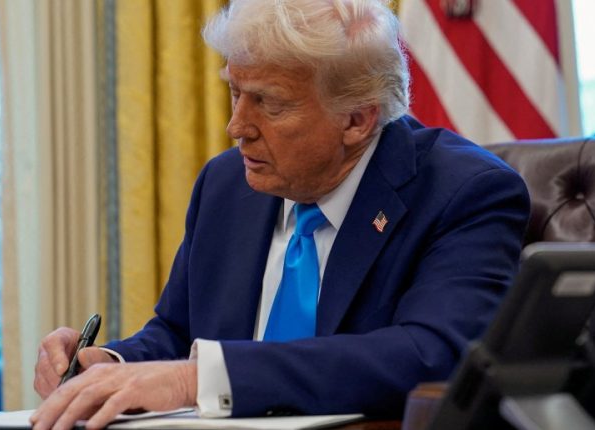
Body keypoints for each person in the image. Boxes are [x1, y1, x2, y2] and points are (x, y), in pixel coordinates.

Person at [30, 0, 530, 429]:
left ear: (357, 118)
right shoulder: (226, 184)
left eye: (267, 104)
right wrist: (108, 365)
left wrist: (193, 379)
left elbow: (432, 355)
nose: (235, 126)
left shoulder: (464, 192)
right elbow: (177, 332)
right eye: (234, 91)